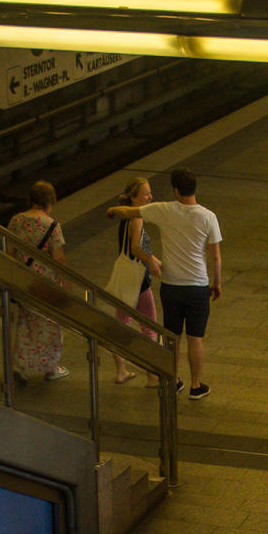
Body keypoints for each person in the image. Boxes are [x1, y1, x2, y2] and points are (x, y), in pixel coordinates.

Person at [106, 166, 221, 400]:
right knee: (195, 338)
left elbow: (128, 212)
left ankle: (174, 380)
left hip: (171, 286)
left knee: (173, 337)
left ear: (175, 190)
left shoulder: (163, 210)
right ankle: (196, 386)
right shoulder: (209, 217)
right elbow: (215, 256)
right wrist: (216, 283)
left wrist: (112, 209)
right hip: (198, 286)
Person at [4, 180, 68, 382]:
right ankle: (51, 368)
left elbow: (9, 253)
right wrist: (67, 284)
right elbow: (59, 259)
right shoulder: (53, 226)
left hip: (24, 281)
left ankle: (19, 365)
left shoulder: (16, 220)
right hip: (46, 284)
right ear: (50, 201)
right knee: (51, 326)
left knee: (26, 324)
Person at [110, 176, 164, 384]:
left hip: (124, 276)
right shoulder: (137, 218)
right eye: (145, 194)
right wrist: (151, 261)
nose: (150, 197)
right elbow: (136, 248)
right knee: (150, 327)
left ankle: (121, 371)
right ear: (134, 198)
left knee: (121, 323)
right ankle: (152, 376)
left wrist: (156, 261)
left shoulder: (125, 217)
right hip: (138, 279)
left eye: (149, 192)